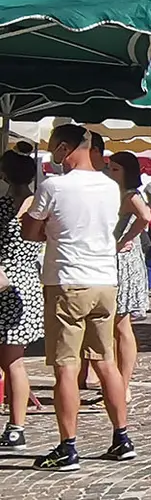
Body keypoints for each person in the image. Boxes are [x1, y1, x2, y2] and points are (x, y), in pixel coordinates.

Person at [23, 123, 133, 469]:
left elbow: (30, 229)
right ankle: (122, 437)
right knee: (106, 363)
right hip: (104, 280)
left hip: (67, 280)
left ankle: (68, 445)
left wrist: (49, 231)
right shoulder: (109, 186)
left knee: (66, 368)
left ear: (64, 148)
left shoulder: (54, 185)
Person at [0, 150, 43, 449]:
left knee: (11, 363)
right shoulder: (39, 206)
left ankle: (17, 427)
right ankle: (16, 425)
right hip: (28, 284)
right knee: (14, 361)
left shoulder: (2, 206)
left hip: (4, 282)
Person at [104, 152, 151, 401]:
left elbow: (146, 217)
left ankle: (123, 385)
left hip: (124, 261)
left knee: (122, 324)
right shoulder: (119, 193)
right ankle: (117, 383)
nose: (110, 174)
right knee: (116, 325)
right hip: (119, 259)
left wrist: (125, 239)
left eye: (115, 170)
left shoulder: (131, 194)